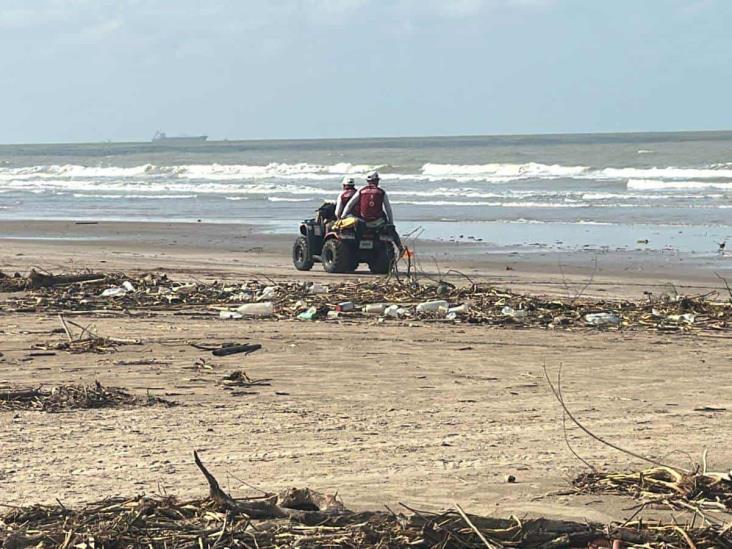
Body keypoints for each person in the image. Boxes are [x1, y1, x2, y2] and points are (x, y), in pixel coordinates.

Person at [341, 171, 402, 251]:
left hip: (363, 222)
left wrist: (342, 216)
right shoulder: (381, 192)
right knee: (386, 220)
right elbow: (388, 209)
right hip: (378, 223)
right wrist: (391, 224)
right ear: (376, 181)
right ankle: (400, 248)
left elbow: (350, 205)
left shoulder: (361, 191)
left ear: (368, 181)